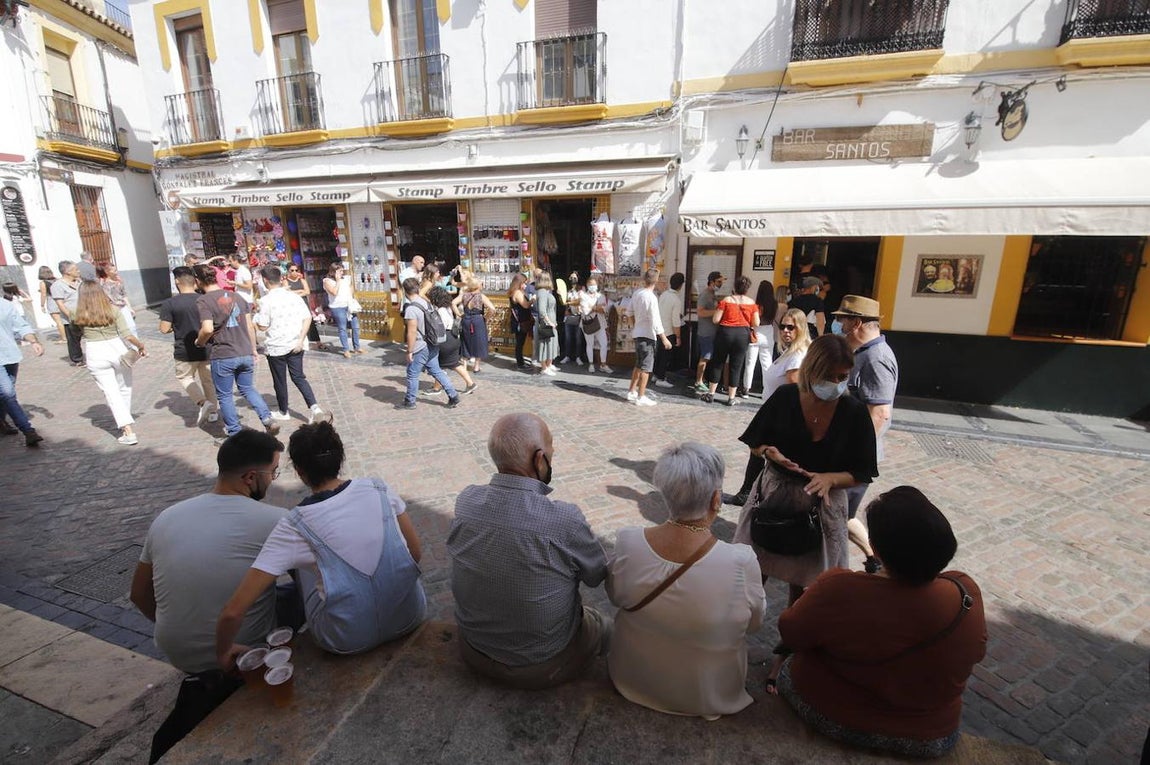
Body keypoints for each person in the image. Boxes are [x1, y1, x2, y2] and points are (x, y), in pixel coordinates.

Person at [776, 486, 986, 759]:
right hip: (933, 735)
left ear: (875, 547)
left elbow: (790, 632)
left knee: (789, 665)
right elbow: (977, 651)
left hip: (831, 713)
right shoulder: (964, 592)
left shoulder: (839, 588)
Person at [130, 430, 286, 763]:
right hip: (241, 652)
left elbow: (138, 594)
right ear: (249, 477)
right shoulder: (274, 520)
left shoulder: (167, 517)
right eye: (272, 472)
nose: (272, 480)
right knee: (292, 595)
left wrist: (184, 624)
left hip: (178, 651)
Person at [732, 334, 878, 689]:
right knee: (752, 576)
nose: (837, 385)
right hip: (774, 497)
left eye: (844, 377)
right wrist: (770, 453)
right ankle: (729, 644)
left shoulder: (853, 411)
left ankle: (785, 656)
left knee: (806, 590)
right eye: (832, 376)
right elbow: (756, 442)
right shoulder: (785, 398)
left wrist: (831, 478)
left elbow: (863, 471)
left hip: (820, 506)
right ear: (813, 369)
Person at [217, 422, 427, 661]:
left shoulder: (294, 525)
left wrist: (224, 652)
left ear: (299, 471)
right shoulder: (379, 488)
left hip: (346, 639)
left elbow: (233, 612)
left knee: (306, 564)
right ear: (341, 458)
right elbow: (415, 553)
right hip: (409, 616)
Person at [447, 413, 609, 690]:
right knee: (603, 624)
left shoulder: (467, 501)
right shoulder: (564, 520)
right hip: (542, 664)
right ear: (539, 459)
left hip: (473, 650)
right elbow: (596, 575)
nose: (553, 452)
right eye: (551, 448)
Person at [607, 442, 766, 719]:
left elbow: (615, 595)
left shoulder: (628, 541)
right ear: (716, 500)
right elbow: (755, 624)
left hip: (632, 677)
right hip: (705, 693)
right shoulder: (741, 562)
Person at [835, 295, 899, 574]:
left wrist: (854, 452)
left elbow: (880, 413)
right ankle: (874, 557)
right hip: (851, 452)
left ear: (857, 322)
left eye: (843, 320)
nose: (839, 325)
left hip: (855, 457)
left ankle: (832, 573)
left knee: (835, 516)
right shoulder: (865, 354)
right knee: (840, 515)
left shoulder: (876, 358)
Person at [723, 308, 811, 508]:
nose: (786, 331)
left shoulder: (797, 356)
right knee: (756, 450)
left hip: (780, 417)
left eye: (792, 327)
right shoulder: (790, 352)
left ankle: (757, 496)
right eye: (783, 327)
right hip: (772, 412)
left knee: (765, 453)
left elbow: (794, 393)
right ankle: (749, 493)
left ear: (801, 328)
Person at [193, 264, 280, 439]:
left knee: (224, 395)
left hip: (223, 353)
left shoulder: (204, 300)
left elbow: (208, 329)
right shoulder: (238, 297)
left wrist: (199, 341)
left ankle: (234, 432)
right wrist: (253, 348)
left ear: (198, 280)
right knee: (248, 388)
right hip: (244, 351)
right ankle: (267, 418)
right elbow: (249, 325)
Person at [254, 265, 332, 424]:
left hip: (277, 345)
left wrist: (256, 316)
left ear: (265, 281)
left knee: (279, 380)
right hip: (295, 343)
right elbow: (307, 318)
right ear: (280, 278)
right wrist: (301, 338)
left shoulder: (265, 301)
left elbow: (262, 326)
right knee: (299, 377)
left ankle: (284, 411)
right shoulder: (294, 297)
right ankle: (314, 407)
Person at [73, 281, 146, 445]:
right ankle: (126, 425)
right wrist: (140, 346)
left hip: (94, 351)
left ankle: (126, 428)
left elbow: (75, 332)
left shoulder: (77, 313)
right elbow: (127, 334)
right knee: (125, 388)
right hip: (117, 349)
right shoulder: (113, 310)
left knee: (111, 392)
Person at [159, 267, 219, 427]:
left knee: (184, 377)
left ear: (177, 281)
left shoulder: (170, 303)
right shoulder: (205, 299)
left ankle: (202, 402)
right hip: (207, 346)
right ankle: (213, 412)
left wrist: (175, 326)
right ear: (194, 280)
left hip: (184, 350)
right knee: (208, 381)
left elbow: (164, 328)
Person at [399, 277, 460, 410]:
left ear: (405, 291)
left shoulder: (411, 309)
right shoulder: (426, 303)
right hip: (433, 342)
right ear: (418, 288)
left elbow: (412, 332)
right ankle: (453, 395)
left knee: (412, 373)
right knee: (436, 370)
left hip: (421, 345)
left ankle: (410, 401)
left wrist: (409, 351)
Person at [702, 275, 759, 406]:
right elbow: (756, 322)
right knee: (736, 366)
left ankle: (711, 394)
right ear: (747, 289)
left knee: (718, 363)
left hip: (725, 333)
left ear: (735, 287)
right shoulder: (751, 303)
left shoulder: (726, 300)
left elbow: (716, 319)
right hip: (742, 335)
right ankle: (731, 398)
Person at [0, 295, 45, 446]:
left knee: (5, 395)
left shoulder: (4, 304)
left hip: (10, 355)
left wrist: (33, 341)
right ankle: (28, 430)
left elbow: (21, 325)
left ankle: (1, 422)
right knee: (7, 394)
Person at [625, 269, 672, 406]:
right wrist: (664, 338)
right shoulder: (652, 297)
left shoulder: (637, 293)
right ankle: (641, 396)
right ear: (656, 280)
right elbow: (656, 321)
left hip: (638, 333)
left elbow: (629, 312)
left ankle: (631, 391)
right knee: (646, 367)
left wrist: (635, 325)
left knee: (639, 365)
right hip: (647, 335)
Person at [425, 285, 477, 396]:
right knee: (454, 364)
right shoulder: (448, 308)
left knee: (438, 365)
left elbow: (440, 326)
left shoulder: (439, 311)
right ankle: (470, 383)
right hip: (453, 338)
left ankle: (436, 388)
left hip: (445, 339)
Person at [743, 280, 779, 398]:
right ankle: (767, 390)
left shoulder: (757, 304)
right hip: (768, 333)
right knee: (767, 363)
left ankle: (746, 389)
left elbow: (755, 321)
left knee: (750, 363)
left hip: (756, 333)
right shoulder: (775, 304)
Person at [453, 276, 495, 373]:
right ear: (478, 286)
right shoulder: (481, 296)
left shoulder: (464, 295)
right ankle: (476, 366)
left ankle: (464, 365)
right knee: (479, 342)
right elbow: (492, 309)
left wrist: (459, 314)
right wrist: (486, 317)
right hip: (478, 320)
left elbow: (453, 303)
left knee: (465, 341)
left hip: (466, 319)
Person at [692, 271, 723, 394]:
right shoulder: (705, 294)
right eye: (719, 281)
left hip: (711, 331)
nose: (721, 284)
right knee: (705, 357)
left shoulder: (712, 293)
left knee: (706, 357)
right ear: (712, 282)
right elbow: (700, 312)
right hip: (706, 332)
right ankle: (698, 382)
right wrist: (717, 312)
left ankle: (701, 379)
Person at [323, 263, 362, 358]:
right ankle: (346, 349)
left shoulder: (346, 279)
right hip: (338, 307)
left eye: (342, 270)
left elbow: (351, 287)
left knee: (355, 326)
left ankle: (357, 347)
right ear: (333, 271)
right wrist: (338, 281)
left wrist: (351, 297)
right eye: (340, 271)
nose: (342, 272)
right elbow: (334, 292)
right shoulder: (327, 281)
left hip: (349, 305)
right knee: (342, 328)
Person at [50, 260, 84, 365]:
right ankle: (77, 359)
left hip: (84, 314)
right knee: (74, 340)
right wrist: (71, 316)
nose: (78, 271)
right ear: (67, 272)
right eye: (75, 269)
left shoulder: (79, 282)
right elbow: (60, 304)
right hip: (70, 318)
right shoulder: (57, 285)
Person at [653, 272, 684, 388]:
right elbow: (675, 320)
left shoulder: (664, 294)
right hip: (669, 332)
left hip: (659, 329)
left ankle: (656, 375)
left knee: (659, 355)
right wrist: (678, 337)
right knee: (665, 356)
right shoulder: (676, 300)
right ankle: (660, 378)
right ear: (681, 285)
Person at [284, 261, 325, 348]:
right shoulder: (286, 282)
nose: (295, 272)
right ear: (288, 271)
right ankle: (299, 341)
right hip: (293, 305)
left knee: (309, 321)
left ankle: (317, 341)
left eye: (296, 270)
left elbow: (307, 291)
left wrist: (295, 293)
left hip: (303, 304)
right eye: (292, 270)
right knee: (296, 322)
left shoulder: (302, 281)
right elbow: (287, 293)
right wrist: (300, 291)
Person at [577, 274, 612, 373]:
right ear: (587, 285)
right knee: (590, 344)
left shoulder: (601, 296)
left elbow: (604, 309)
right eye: (591, 284)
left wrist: (592, 307)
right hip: (588, 324)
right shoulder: (583, 296)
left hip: (600, 323)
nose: (593, 286)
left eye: (594, 284)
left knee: (604, 343)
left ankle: (603, 364)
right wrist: (596, 307)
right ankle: (591, 364)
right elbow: (585, 311)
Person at [558, 272, 588, 367]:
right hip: (569, 316)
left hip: (579, 316)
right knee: (568, 338)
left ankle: (578, 357)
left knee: (578, 338)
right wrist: (560, 296)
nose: (572, 279)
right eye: (571, 277)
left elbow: (580, 301)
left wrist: (569, 302)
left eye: (574, 277)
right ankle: (567, 356)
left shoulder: (582, 289)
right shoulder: (568, 291)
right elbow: (564, 303)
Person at [532, 272, 560, 376]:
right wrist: (550, 322)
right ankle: (544, 367)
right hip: (545, 322)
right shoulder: (542, 292)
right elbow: (542, 310)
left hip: (550, 321)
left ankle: (548, 365)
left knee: (550, 343)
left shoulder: (545, 292)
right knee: (544, 344)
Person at [99, 262, 137, 336]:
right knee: (120, 329)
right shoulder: (105, 284)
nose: (116, 272)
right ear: (107, 272)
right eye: (114, 271)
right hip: (114, 309)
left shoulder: (118, 281)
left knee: (131, 327)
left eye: (116, 270)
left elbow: (124, 295)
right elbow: (108, 299)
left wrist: (129, 307)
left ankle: (135, 345)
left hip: (123, 307)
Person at [508, 272, 534, 370]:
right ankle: (520, 363)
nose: (525, 285)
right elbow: (525, 305)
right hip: (520, 321)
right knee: (520, 342)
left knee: (520, 342)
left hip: (520, 320)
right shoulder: (517, 293)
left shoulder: (516, 291)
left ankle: (521, 361)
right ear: (519, 283)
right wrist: (532, 300)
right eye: (524, 283)